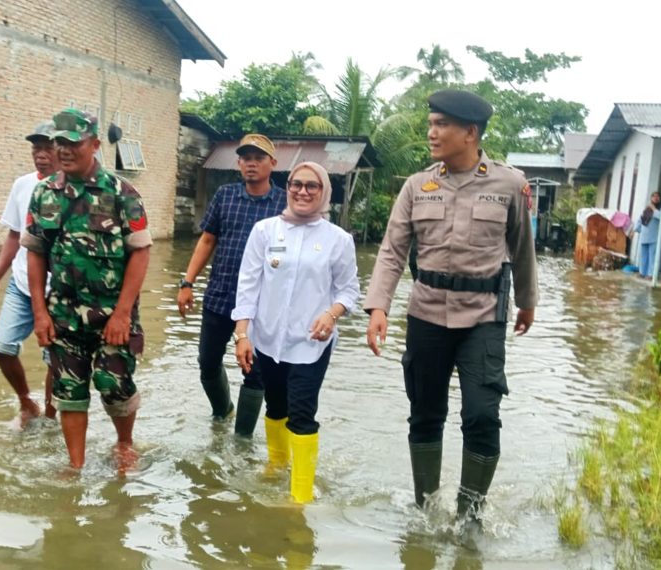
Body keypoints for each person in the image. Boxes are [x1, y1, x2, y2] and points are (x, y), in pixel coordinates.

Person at [362, 89, 538, 530]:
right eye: (431, 123)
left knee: (482, 413)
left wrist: (527, 302)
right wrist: (378, 306)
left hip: (482, 315)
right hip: (425, 313)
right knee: (425, 411)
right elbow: (391, 252)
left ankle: (469, 515)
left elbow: (523, 248)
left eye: (441, 124)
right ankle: (426, 509)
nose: (431, 132)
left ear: (470, 132)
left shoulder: (509, 184)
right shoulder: (416, 186)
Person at [21, 108, 152, 471]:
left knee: (114, 384)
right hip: (62, 313)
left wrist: (124, 313)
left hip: (112, 312)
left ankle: (124, 444)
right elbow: (35, 253)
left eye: (72, 142)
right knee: (69, 391)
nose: (63, 149)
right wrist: (39, 313)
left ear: (94, 144)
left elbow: (141, 251)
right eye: (58, 142)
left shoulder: (121, 192)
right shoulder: (44, 193)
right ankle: (75, 466)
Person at [232, 162, 360, 504]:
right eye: (296, 184)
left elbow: (349, 291)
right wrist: (242, 333)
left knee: (302, 412)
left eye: (312, 186)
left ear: (324, 192)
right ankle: (277, 463)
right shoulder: (265, 231)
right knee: (275, 406)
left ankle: (300, 497)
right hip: (267, 339)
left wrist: (332, 314)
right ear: (286, 187)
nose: (302, 191)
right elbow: (248, 285)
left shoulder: (338, 239)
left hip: (311, 342)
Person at [177, 134, 287, 437]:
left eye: (259, 158)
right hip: (221, 294)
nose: (251, 163)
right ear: (238, 163)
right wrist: (187, 282)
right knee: (207, 362)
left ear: (272, 164)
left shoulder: (284, 203)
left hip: (262, 304)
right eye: (246, 158)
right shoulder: (225, 196)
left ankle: (242, 439)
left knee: (255, 373)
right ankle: (222, 411)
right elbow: (208, 240)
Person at [0, 121, 59, 428]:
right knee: (2, 345)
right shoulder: (22, 185)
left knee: (55, 358)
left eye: (47, 148)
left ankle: (52, 414)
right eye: (35, 148)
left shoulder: (71, 188)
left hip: (58, 288)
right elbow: (15, 235)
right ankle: (27, 402)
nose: (40, 154)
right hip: (22, 282)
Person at [635, 191, 661, 279]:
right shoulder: (647, 209)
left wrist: (654, 209)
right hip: (644, 236)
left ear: (660, 198)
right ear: (651, 198)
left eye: (657, 196)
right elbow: (641, 220)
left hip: (654, 237)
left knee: (653, 257)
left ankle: (651, 274)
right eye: (653, 196)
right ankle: (642, 272)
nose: (655, 198)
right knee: (643, 256)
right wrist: (637, 229)